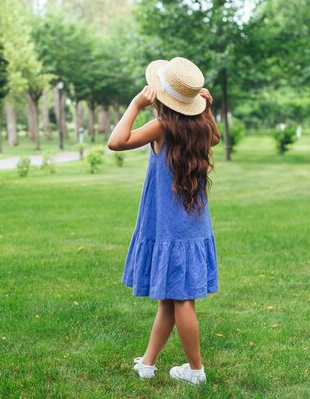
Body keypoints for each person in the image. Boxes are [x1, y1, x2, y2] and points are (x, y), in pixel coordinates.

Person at [107, 57, 220, 385]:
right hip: (192, 226)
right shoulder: (199, 127)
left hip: (170, 228)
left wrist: (135, 104)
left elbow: (116, 141)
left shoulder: (162, 127)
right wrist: (208, 110)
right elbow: (213, 138)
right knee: (169, 299)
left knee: (181, 299)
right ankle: (147, 362)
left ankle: (196, 371)